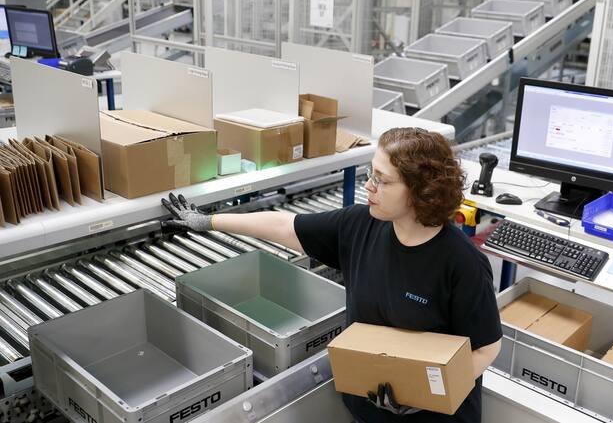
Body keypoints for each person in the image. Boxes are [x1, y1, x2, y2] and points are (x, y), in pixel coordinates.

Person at [162, 127, 502, 423]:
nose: (369, 186)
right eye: (370, 174)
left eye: (381, 180)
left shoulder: (461, 263)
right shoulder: (360, 226)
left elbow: (486, 349)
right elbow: (283, 225)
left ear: (418, 190)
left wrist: (423, 395)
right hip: (369, 411)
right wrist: (208, 221)